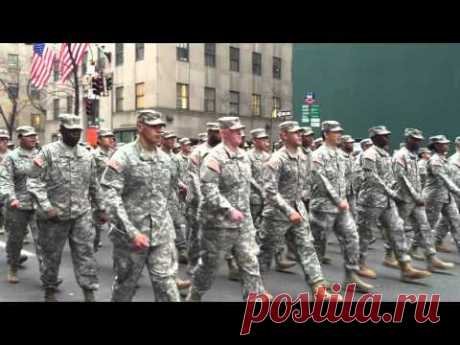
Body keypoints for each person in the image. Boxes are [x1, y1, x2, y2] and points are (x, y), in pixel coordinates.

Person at [101, 110, 182, 302]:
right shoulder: (123, 156)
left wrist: (178, 213)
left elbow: (168, 194)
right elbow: (111, 196)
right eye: (154, 126)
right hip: (131, 236)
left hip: (162, 234)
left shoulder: (166, 159)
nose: (159, 130)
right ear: (140, 127)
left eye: (161, 126)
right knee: (125, 286)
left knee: (167, 286)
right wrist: (131, 232)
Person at [187, 117, 271, 301]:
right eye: (236, 130)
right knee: (209, 267)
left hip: (243, 221)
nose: (241, 133)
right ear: (224, 133)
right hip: (218, 223)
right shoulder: (215, 157)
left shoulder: (243, 155)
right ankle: (194, 295)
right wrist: (228, 209)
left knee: (250, 261)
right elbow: (208, 188)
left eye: (241, 129)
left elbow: (247, 181)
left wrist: (263, 193)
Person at [28, 114, 108, 302]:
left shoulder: (86, 155)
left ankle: (89, 293)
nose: (75, 135)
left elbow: (94, 184)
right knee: (51, 255)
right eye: (70, 131)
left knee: (85, 254)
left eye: (77, 131)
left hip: (81, 215)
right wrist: (47, 207)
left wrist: (101, 207)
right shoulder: (47, 153)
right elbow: (33, 181)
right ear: (61, 131)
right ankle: (49, 289)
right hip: (54, 217)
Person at [258, 120, 340, 301]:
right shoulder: (276, 160)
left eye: (300, 133)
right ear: (284, 136)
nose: (300, 135)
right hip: (276, 214)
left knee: (307, 248)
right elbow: (269, 191)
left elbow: (306, 181)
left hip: (298, 210)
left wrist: (303, 200)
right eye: (295, 133)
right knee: (265, 253)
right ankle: (256, 290)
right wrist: (288, 211)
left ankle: (318, 289)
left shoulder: (303, 156)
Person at [355, 125, 431, 283]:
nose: (387, 138)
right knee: (365, 234)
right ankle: (359, 264)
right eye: (383, 136)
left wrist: (392, 192)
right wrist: (392, 192)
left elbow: (391, 177)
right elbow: (371, 177)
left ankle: (406, 267)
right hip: (371, 200)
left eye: (387, 136)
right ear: (375, 138)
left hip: (387, 201)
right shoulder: (369, 154)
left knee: (397, 229)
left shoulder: (386, 155)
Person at [309, 121, 372, 292]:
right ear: (325, 133)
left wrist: (348, 198)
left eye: (340, 132)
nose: (339, 135)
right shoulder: (317, 155)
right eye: (335, 132)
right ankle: (318, 280)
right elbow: (321, 181)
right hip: (323, 207)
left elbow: (345, 179)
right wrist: (338, 200)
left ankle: (351, 277)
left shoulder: (340, 155)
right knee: (319, 245)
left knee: (351, 237)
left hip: (341, 207)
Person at [392, 129, 453, 271]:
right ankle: (390, 255)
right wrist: (415, 196)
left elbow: (417, 179)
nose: (418, 142)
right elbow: (402, 179)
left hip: (416, 199)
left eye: (419, 139)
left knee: (425, 227)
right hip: (404, 199)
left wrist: (418, 195)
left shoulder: (413, 156)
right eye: (414, 139)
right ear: (407, 139)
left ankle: (431, 258)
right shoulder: (400, 155)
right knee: (396, 227)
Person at [0, 126, 44, 284]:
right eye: (29, 136)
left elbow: (49, 179)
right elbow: (5, 181)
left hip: (38, 204)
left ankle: (48, 276)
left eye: (34, 135)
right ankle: (13, 267)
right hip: (18, 205)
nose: (33, 138)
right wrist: (11, 198)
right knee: (15, 239)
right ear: (20, 138)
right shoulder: (11, 157)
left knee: (43, 240)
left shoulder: (42, 155)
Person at [186, 123, 222, 276]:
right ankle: (193, 262)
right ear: (209, 133)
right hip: (198, 199)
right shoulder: (198, 152)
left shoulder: (223, 152)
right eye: (216, 133)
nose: (219, 136)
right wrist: (201, 196)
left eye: (220, 132)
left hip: (218, 198)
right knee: (196, 232)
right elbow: (193, 176)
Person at [424, 135, 460, 255]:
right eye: (444, 143)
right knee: (429, 223)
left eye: (447, 143)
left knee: (455, 221)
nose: (446, 145)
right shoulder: (437, 160)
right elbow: (447, 179)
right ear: (436, 145)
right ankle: (413, 247)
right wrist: (457, 191)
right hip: (435, 196)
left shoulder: (444, 159)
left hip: (447, 195)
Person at [92, 129, 116, 251]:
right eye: (107, 137)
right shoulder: (94, 155)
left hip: (112, 195)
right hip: (98, 195)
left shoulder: (115, 154)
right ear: (99, 140)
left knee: (117, 227)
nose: (111, 139)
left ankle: (121, 259)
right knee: (94, 229)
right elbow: (90, 176)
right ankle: (91, 249)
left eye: (112, 137)